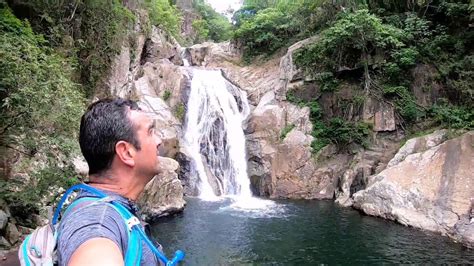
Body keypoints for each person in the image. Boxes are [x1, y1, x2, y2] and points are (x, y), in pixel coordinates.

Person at [57, 98, 163, 265]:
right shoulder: (97, 222)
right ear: (126, 153)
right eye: (150, 132)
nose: (159, 141)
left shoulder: (106, 206)